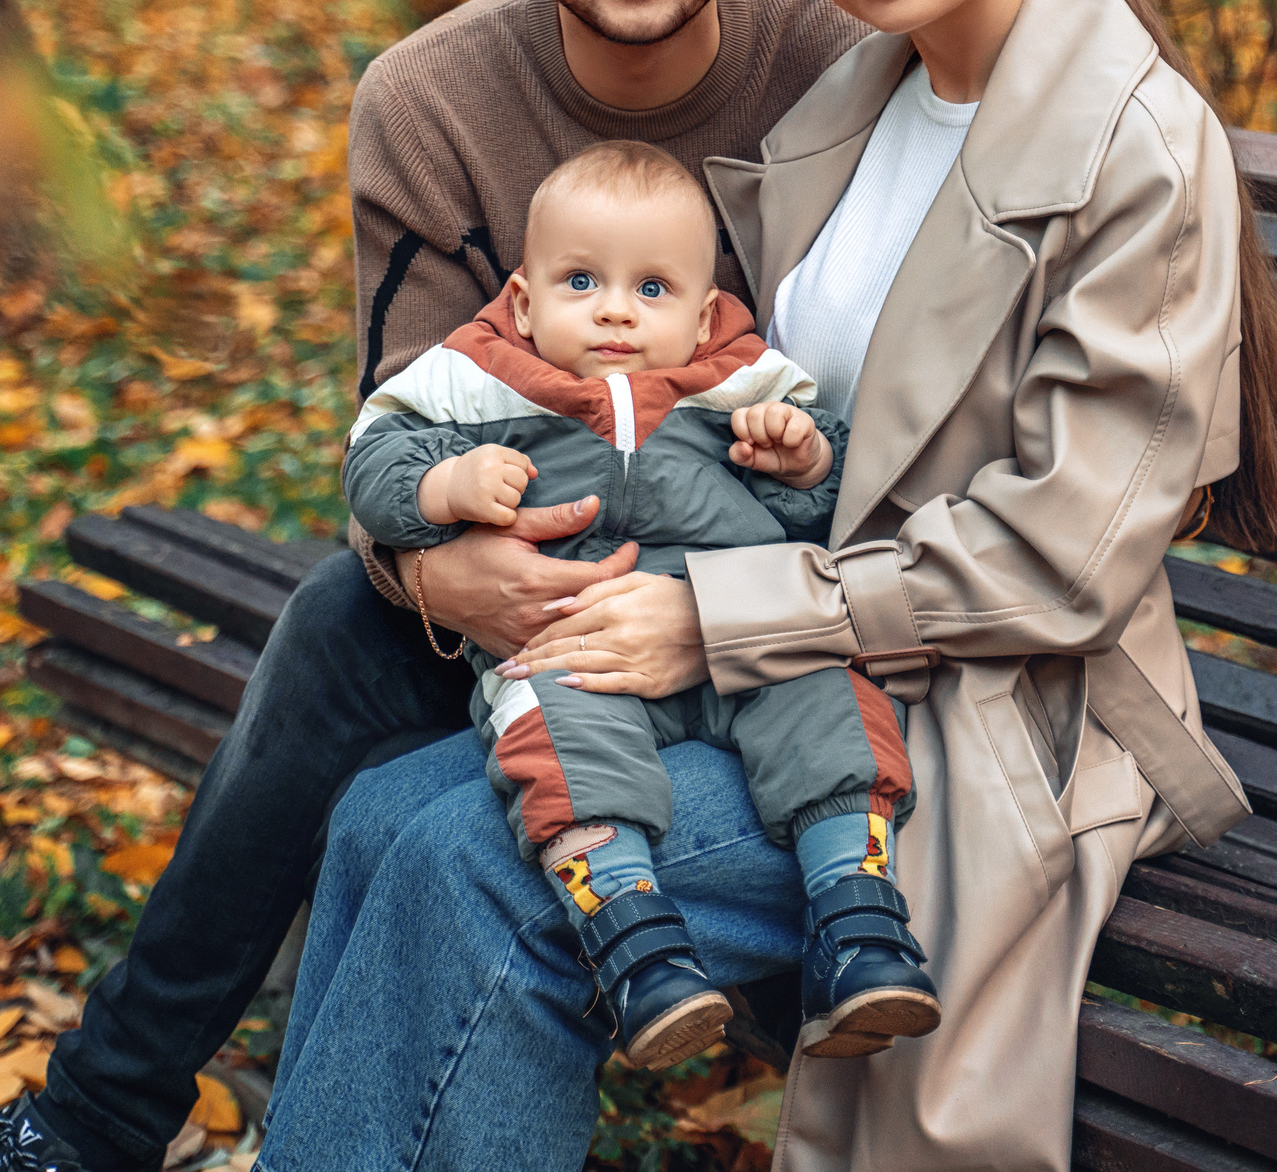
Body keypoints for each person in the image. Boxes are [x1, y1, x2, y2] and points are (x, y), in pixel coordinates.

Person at [257, 0, 1277, 1171]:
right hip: (791, 648)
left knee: (475, 870)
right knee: (383, 816)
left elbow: (1065, 561)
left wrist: (714, 618)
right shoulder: (870, 90)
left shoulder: (1131, 149)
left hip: (982, 710)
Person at [0, 0, 867, 1172]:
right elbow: (400, 434)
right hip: (532, 586)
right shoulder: (433, 98)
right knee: (338, 627)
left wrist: (711, 590)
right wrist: (434, 572)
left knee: (423, 829)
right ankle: (99, 1118)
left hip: (760, 598)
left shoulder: (839, 66)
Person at [345, 139, 935, 1071]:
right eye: (581, 281)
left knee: (827, 701)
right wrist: (445, 485)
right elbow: (373, 461)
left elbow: (823, 508)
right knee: (557, 737)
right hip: (576, 648)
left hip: (747, 639)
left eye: (651, 290)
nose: (616, 309)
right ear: (526, 299)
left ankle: (857, 920)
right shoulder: (478, 378)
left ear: (705, 317)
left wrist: (803, 459)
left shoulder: (740, 384)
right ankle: (636, 944)